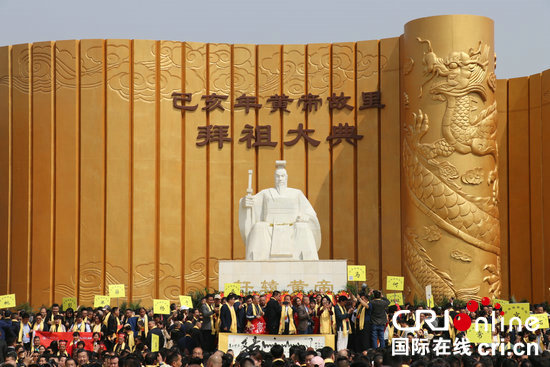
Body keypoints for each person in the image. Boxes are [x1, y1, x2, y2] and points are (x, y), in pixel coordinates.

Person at [239, 160, 321, 260]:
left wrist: (306, 217)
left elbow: (310, 212)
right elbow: (251, 203)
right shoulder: (266, 193)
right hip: (269, 228)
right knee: (258, 227)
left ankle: (309, 261)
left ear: (286, 178)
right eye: (278, 176)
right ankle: (255, 260)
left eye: (282, 176)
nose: (280, 179)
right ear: (274, 178)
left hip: (293, 228)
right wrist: (245, 202)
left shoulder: (296, 193)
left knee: (303, 228)